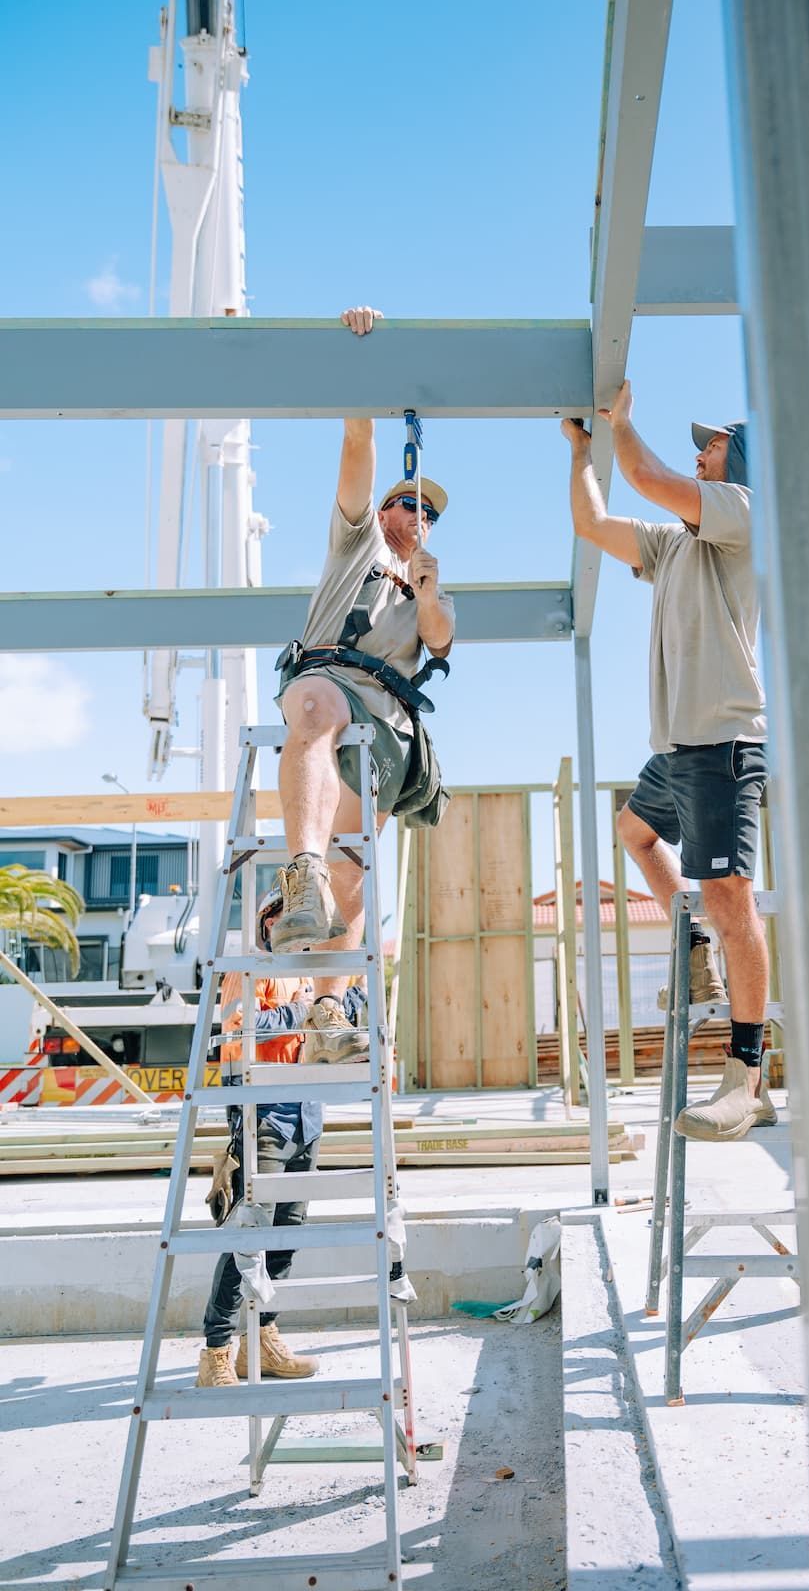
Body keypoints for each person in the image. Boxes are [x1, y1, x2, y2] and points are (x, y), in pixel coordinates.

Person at [563, 380, 773, 1142]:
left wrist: (621, 423)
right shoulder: (675, 544)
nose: (700, 453)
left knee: (732, 902)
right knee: (633, 832)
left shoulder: (744, 516)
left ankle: (747, 1074)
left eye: (712, 446)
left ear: (740, 462)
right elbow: (593, 522)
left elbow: (651, 478)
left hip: (723, 744)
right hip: (679, 750)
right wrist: (582, 450)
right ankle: (691, 945)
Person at [268, 302, 455, 1020]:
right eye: (408, 505)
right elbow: (357, 445)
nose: (419, 518)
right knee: (316, 707)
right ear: (382, 515)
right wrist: (362, 366)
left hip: (384, 726)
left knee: (355, 864)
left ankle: (326, 1009)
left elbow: (439, 641)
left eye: (428, 513)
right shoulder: (358, 546)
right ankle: (300, 868)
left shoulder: (428, 588)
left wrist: (429, 591)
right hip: (328, 686)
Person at [196, 891, 367, 1387]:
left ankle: (262, 1339)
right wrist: (310, 1010)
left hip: (306, 1113)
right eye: (285, 920)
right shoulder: (250, 968)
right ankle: (217, 1351)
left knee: (287, 1236)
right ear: (268, 922)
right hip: (263, 1113)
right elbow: (242, 1025)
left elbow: (345, 1012)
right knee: (249, 1236)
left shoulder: (320, 975)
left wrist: (330, 1001)